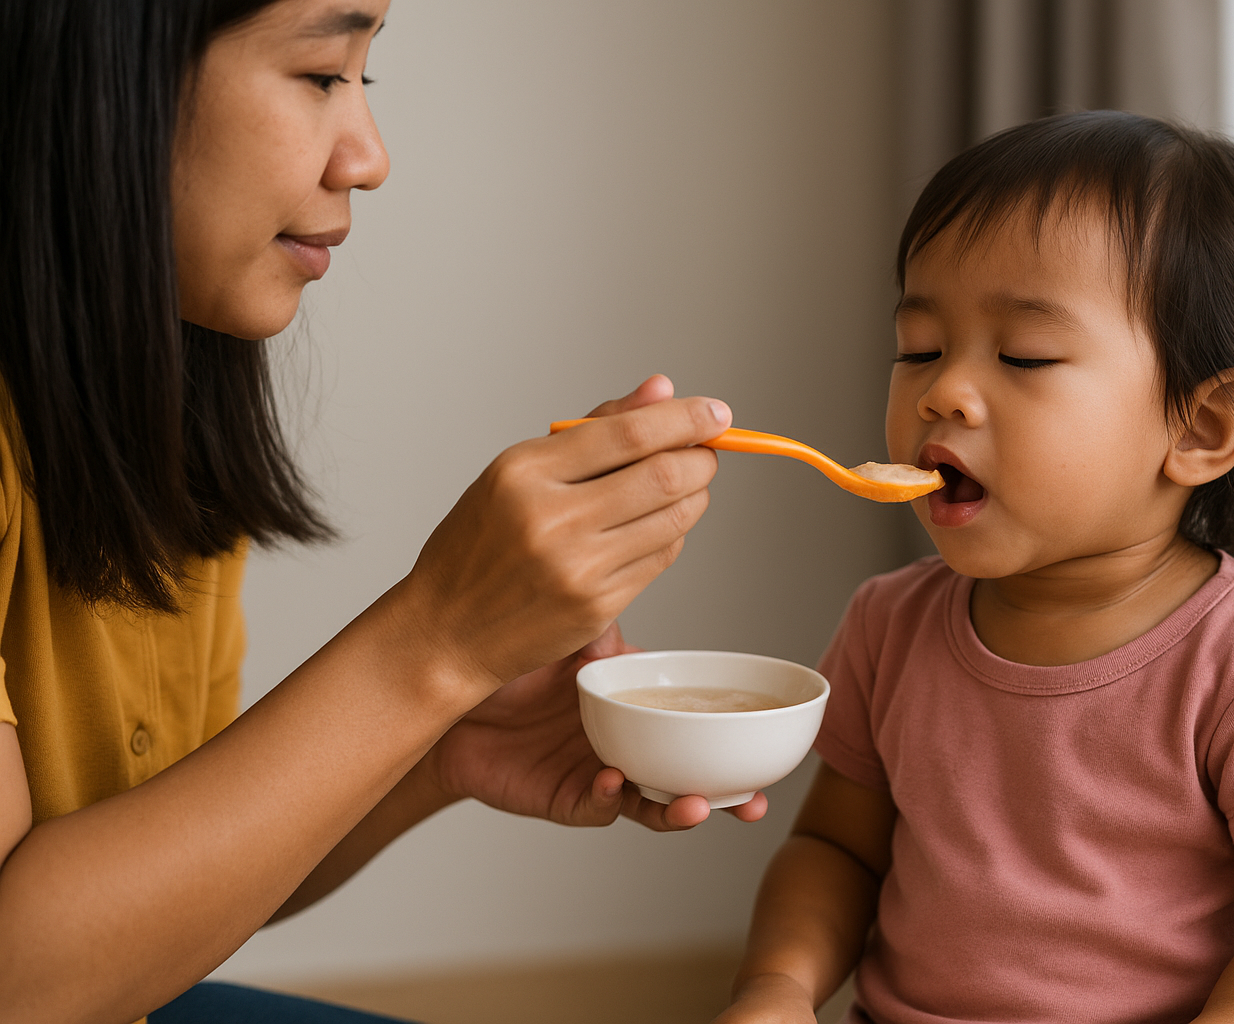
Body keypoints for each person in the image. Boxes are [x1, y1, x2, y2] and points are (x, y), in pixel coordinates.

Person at [0, 2, 767, 1022]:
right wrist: (434, 640)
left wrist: (441, 738)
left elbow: (146, 900)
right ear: (98, 70)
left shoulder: (159, 396)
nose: (368, 156)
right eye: (322, 74)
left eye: (370, 79)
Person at [714, 111, 1234, 1024]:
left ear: (1199, 428)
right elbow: (838, 853)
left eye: (1022, 355)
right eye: (920, 347)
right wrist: (777, 989)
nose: (942, 390)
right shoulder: (888, 625)